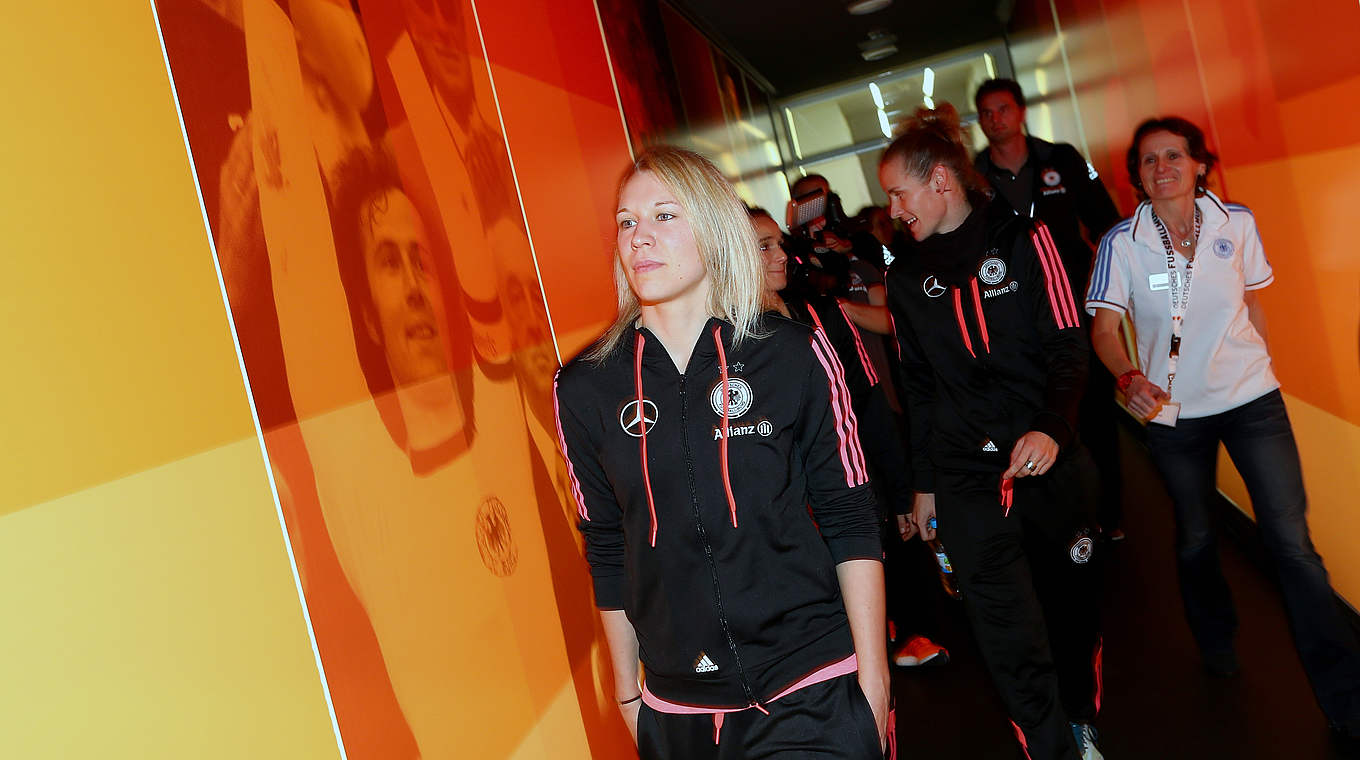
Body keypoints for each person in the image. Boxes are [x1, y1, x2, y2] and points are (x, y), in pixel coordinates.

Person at [553, 146, 891, 759]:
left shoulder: (791, 353)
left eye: (663, 216)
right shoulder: (584, 387)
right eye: (627, 222)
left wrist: (874, 680)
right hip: (679, 712)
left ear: (712, 228)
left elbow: (850, 518)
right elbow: (607, 546)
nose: (639, 238)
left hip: (808, 688)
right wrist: (630, 696)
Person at [1085, 116, 1360, 744]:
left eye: (1173, 156)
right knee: (1197, 535)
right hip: (1173, 416)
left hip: (1252, 400)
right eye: (1149, 161)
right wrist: (1128, 377)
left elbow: (1254, 299)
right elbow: (1103, 330)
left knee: (1292, 546)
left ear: (1198, 165)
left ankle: (1346, 695)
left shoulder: (1236, 224)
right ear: (1138, 177)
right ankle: (1216, 638)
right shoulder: (1122, 245)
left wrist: (1260, 365)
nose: (1162, 168)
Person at [880, 104, 1104, 760]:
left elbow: (1069, 346)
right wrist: (923, 486)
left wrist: (1051, 428)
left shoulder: (1026, 242)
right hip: (964, 476)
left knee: (1069, 612)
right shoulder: (902, 281)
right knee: (1004, 628)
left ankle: (1081, 713)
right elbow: (918, 389)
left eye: (899, 193)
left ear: (941, 181)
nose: (894, 211)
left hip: (1048, 463)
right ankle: (1049, 745)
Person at [751, 207, 949, 671]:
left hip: (859, 485)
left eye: (779, 242)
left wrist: (903, 490)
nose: (781, 254)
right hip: (790, 513)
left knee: (890, 567)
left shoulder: (823, 315)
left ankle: (909, 634)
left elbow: (870, 402)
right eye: (764, 246)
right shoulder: (726, 339)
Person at [973, 78, 1127, 540]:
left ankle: (1111, 515)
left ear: (1020, 112)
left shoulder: (1061, 159)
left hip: (1076, 311)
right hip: (1016, 322)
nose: (995, 119)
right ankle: (1059, 521)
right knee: (1043, 414)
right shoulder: (974, 178)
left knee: (1097, 414)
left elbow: (1107, 228)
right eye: (986, 112)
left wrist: (1107, 296)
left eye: (1002, 109)